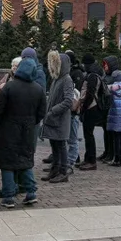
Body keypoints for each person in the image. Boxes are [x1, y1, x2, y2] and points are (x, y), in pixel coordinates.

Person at [0, 58, 47, 208]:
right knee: (25, 161)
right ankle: (31, 192)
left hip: (7, 130)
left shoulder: (9, 87)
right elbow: (42, 112)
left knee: (8, 163)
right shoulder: (38, 89)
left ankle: (8, 196)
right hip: (27, 130)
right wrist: (31, 122)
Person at [42, 50, 74, 183]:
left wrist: (53, 110)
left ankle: (63, 171)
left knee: (60, 145)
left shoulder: (66, 79)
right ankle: (55, 170)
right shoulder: (57, 79)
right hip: (53, 119)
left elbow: (68, 101)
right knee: (54, 145)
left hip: (60, 119)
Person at [77, 55, 107, 171]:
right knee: (87, 134)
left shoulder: (92, 76)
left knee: (89, 135)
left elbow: (90, 94)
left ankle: (91, 160)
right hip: (92, 107)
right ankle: (88, 158)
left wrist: (83, 108)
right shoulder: (95, 74)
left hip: (91, 107)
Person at [66, 50, 84, 168]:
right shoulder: (71, 72)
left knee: (72, 136)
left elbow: (76, 92)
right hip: (70, 108)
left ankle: (73, 158)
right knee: (69, 136)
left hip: (73, 108)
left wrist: (75, 106)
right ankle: (71, 157)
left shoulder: (77, 73)